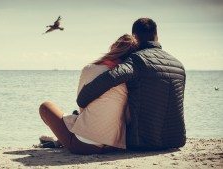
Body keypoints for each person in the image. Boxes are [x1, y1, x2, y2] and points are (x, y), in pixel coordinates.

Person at [77, 18, 186, 150]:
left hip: (142, 143)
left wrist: (82, 99)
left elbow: (111, 77)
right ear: (157, 36)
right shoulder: (179, 65)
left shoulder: (137, 59)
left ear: (134, 37)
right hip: (175, 140)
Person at [39, 34, 138, 155]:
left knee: (45, 107)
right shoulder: (131, 77)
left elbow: (83, 106)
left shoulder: (91, 69)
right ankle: (60, 140)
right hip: (116, 145)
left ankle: (61, 141)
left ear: (113, 47)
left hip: (84, 146)